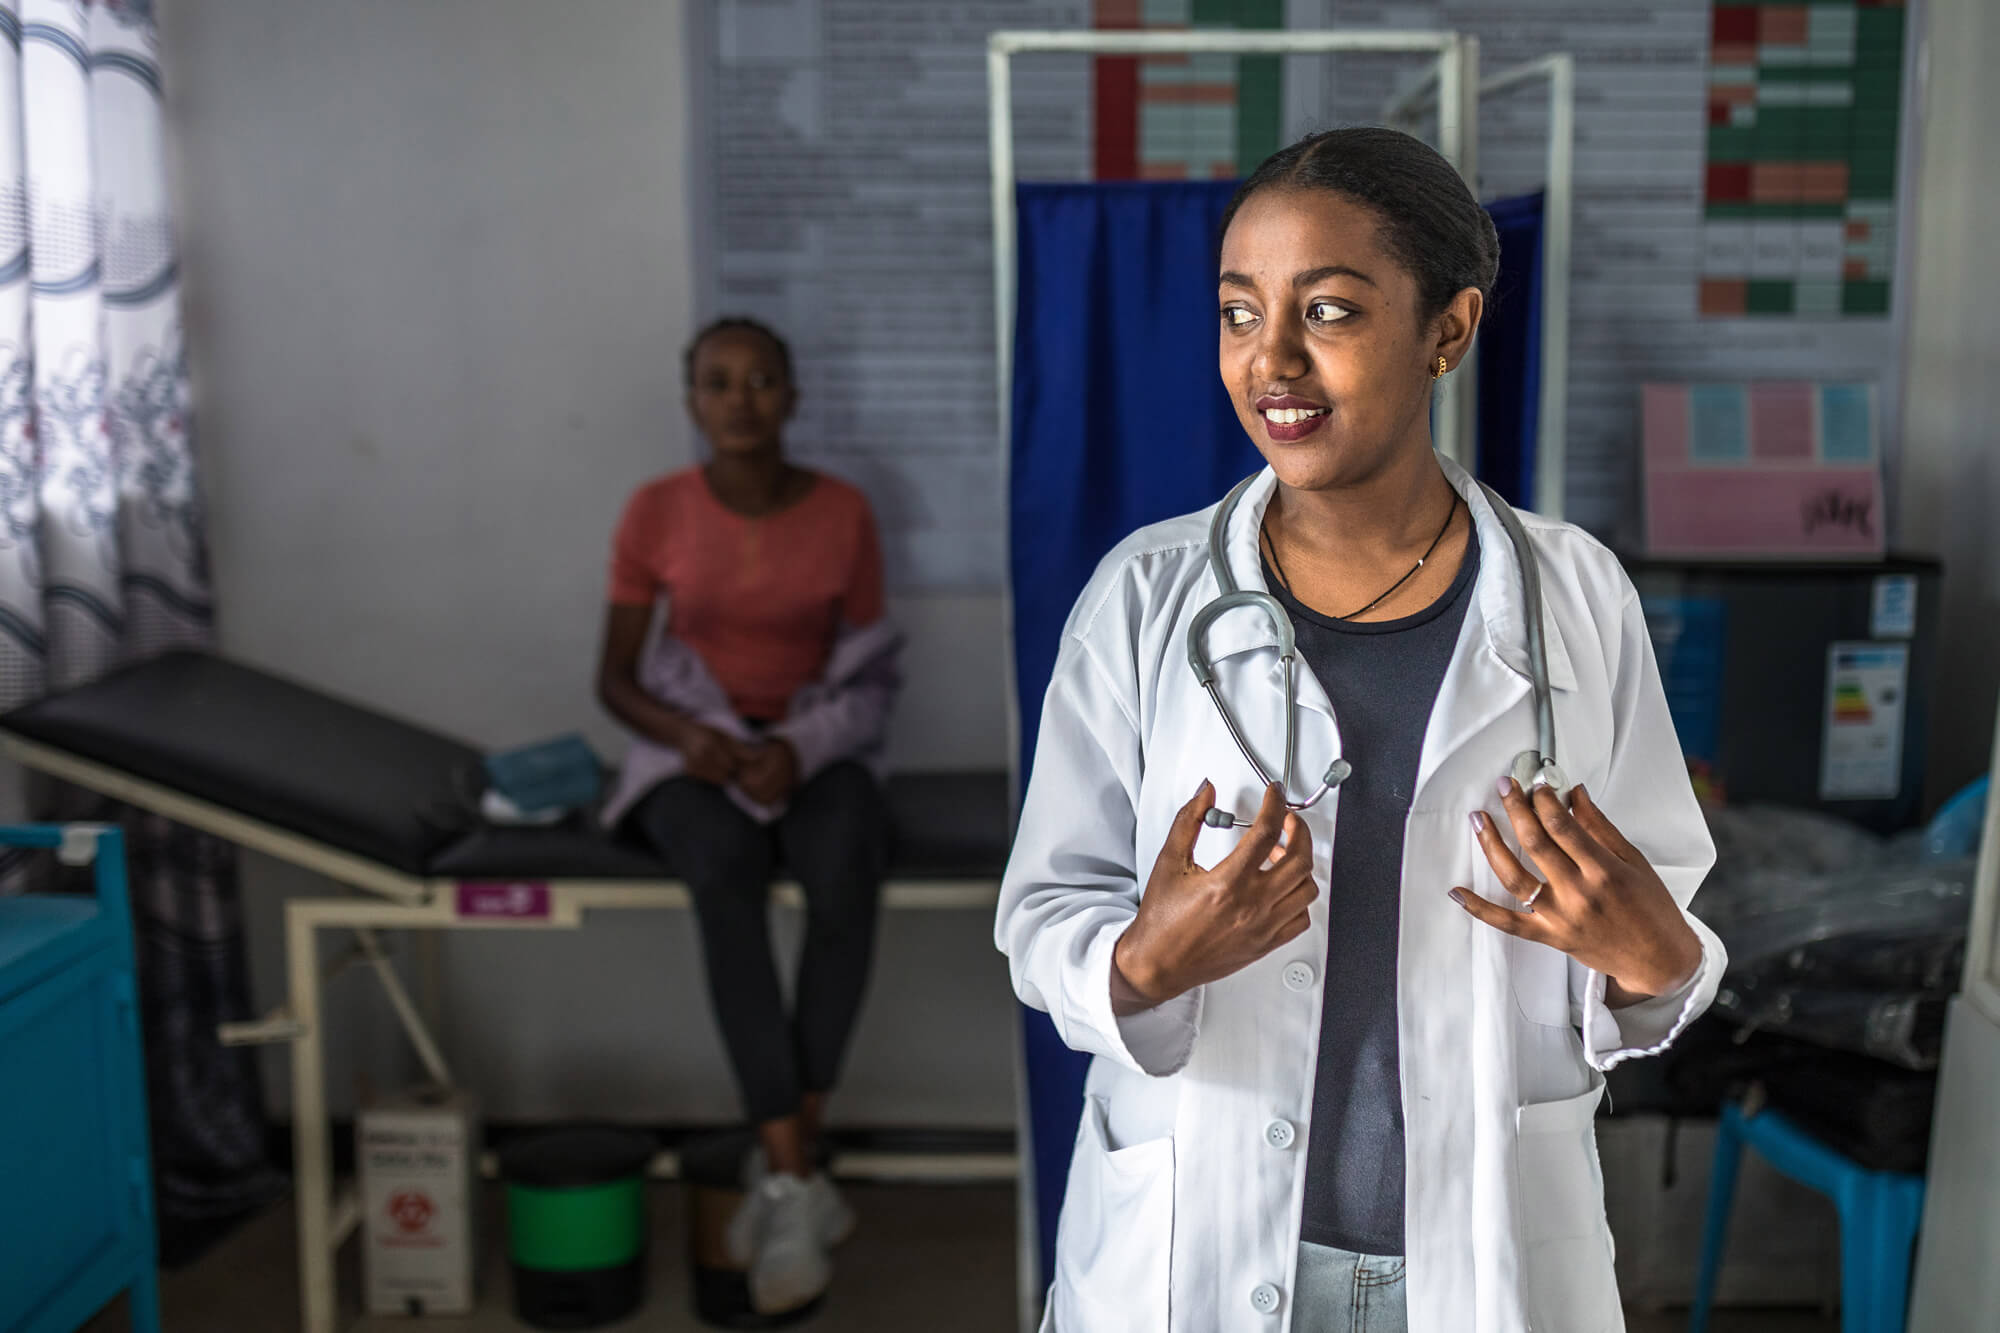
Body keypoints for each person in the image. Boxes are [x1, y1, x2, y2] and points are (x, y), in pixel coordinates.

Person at [995, 128, 1727, 1333]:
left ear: (1449, 329)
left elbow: (1658, 929)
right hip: (1197, 1241)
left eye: (1326, 310)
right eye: (1238, 313)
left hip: (1481, 1250)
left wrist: (1658, 965)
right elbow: (1042, 912)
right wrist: (1141, 962)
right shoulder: (1144, 597)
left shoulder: (1573, 596)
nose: (1268, 360)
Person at [595, 317, 900, 1316]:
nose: (740, 399)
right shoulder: (654, 510)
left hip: (804, 745)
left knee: (848, 859)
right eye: (718, 382)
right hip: (691, 750)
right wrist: (696, 743)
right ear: (692, 400)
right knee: (721, 869)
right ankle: (792, 1169)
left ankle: (787, 1173)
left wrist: (796, 751)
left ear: (791, 396)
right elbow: (615, 679)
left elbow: (867, 672)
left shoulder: (843, 512)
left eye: (761, 380)